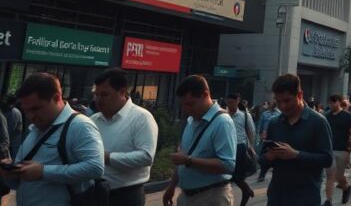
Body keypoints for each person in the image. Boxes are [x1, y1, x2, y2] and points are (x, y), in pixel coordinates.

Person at [0, 72, 104, 206]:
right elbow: (23, 180)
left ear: (56, 98)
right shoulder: (36, 128)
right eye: (26, 110)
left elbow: (95, 167)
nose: (31, 116)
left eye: (36, 108)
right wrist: (11, 174)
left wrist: (43, 172)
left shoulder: (80, 125)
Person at [258, 74, 333, 206]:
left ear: (300, 95)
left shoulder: (318, 122)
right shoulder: (274, 123)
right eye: (278, 101)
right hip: (277, 197)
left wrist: (296, 155)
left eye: (287, 101)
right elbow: (262, 160)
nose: (282, 106)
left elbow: (327, 159)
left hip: (305, 197)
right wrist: (269, 157)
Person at [163, 75, 237, 206]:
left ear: (205, 94)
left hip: (212, 196)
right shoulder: (191, 121)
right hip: (186, 196)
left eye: (191, 104)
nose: (186, 109)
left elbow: (228, 165)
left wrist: (189, 160)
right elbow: (183, 157)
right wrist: (172, 186)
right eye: (183, 105)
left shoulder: (222, 122)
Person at [91, 68, 159, 206]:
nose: (98, 100)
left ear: (122, 92)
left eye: (104, 95)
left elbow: (146, 157)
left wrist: (107, 157)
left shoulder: (141, 117)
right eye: (96, 94)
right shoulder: (93, 120)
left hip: (126, 195)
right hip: (94, 193)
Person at [325, 94, 351, 205]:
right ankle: (328, 200)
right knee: (330, 175)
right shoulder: (326, 116)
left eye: (333, 102)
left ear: (339, 102)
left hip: (343, 150)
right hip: (329, 150)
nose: (331, 105)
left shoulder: (347, 116)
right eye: (329, 102)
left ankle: (346, 187)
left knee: (339, 176)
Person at [224, 93, 256, 205]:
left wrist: (251, 146)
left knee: (236, 176)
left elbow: (251, 132)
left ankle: (245, 193)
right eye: (228, 102)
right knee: (228, 176)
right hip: (226, 147)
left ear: (237, 101)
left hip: (240, 148)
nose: (229, 104)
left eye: (232, 102)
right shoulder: (224, 115)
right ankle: (246, 191)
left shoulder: (244, 115)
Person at [256, 100, 280, 182]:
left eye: (273, 103)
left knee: (274, 156)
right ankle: (262, 174)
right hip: (266, 137)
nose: (271, 104)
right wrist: (259, 134)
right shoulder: (265, 114)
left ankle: (270, 174)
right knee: (264, 155)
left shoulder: (279, 113)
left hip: (276, 138)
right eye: (270, 103)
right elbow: (261, 124)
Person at [2, 96, 22, 161]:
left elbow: (11, 129)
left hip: (13, 138)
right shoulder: (7, 111)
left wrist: (5, 140)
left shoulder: (14, 112)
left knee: (13, 155)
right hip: (10, 138)